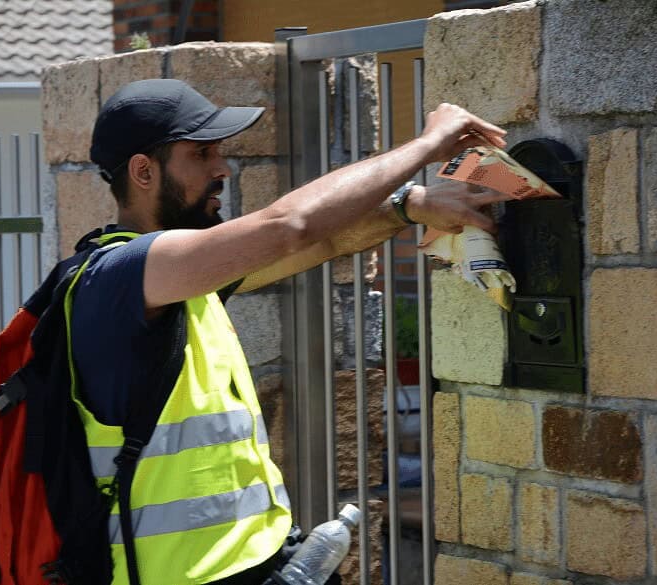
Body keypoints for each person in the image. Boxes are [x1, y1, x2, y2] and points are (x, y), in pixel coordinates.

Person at [70, 78, 511, 585]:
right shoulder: (120, 274)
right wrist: (427, 145)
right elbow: (290, 226)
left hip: (252, 566)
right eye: (201, 154)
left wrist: (407, 207)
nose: (223, 169)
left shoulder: (180, 279)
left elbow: (318, 243)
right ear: (143, 172)